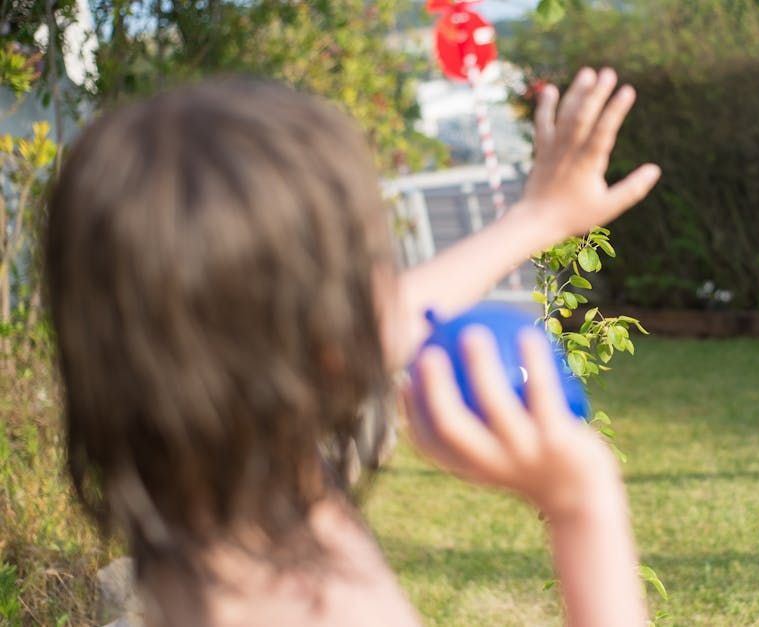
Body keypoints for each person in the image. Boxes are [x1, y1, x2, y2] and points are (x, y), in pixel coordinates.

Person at [44, 67, 660, 626]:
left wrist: (541, 219)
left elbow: (387, 318)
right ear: (322, 347)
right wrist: (583, 505)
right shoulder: (303, 611)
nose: (388, 299)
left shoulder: (203, 484)